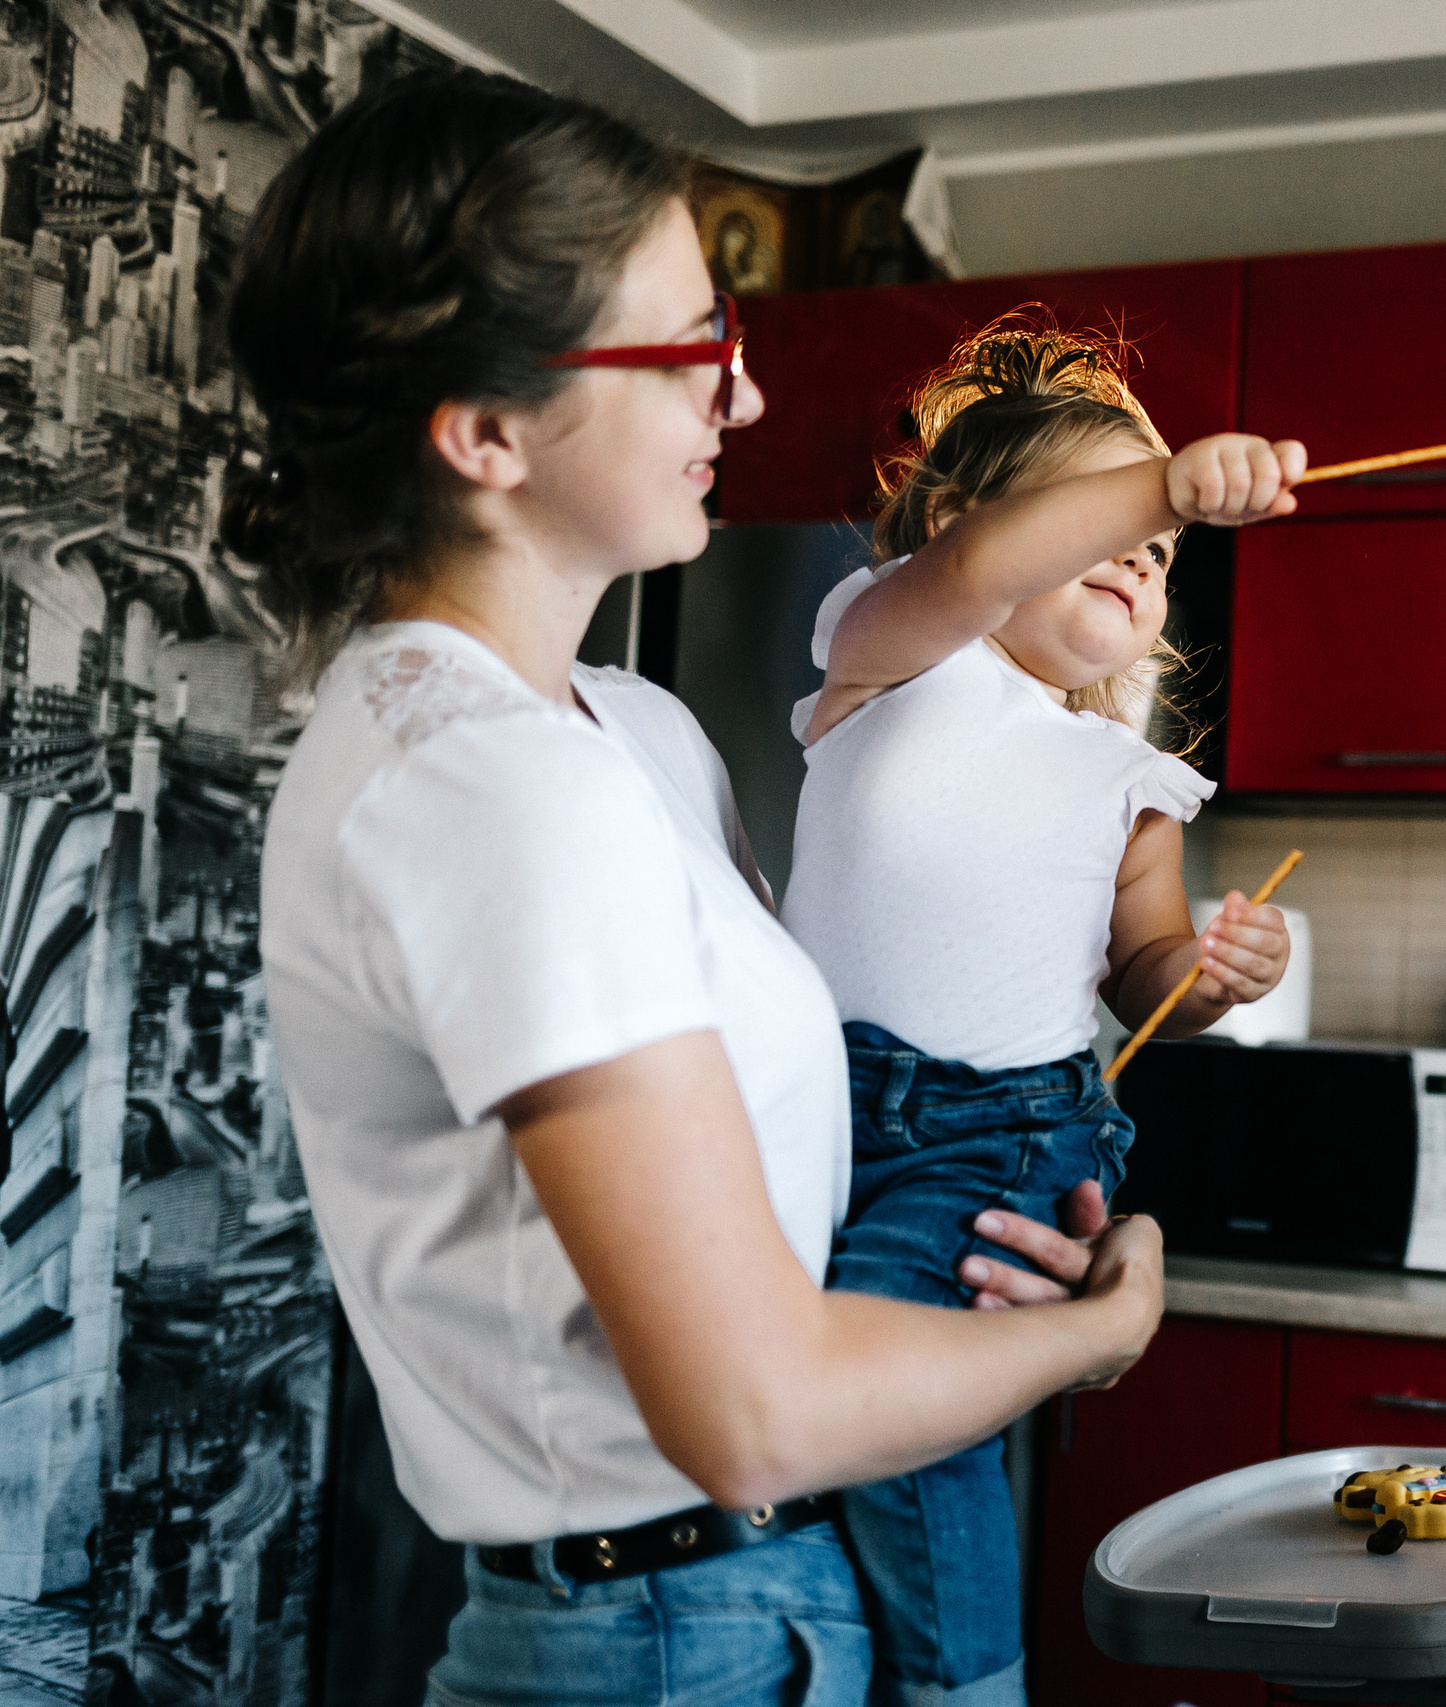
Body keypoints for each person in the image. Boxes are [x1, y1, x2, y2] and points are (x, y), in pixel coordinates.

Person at [240, 72, 1161, 1704]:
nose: (736, 399)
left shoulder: (636, 736)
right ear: (487, 433)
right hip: (661, 1635)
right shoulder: (482, 783)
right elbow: (748, 1409)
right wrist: (1082, 1339)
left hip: (764, 1602)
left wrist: (980, 1265)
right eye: (685, 354)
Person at [782, 323, 1300, 1707]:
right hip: (804, 1108)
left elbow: (1144, 978)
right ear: (960, 525)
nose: (1145, 553)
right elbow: (970, 579)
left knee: (891, 1382)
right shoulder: (888, 653)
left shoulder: (1127, 776)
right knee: (816, 1403)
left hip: (1001, 1134)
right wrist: (1170, 481)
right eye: (1113, 521)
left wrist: (1212, 978)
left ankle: (969, 1687)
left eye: (1164, 549)